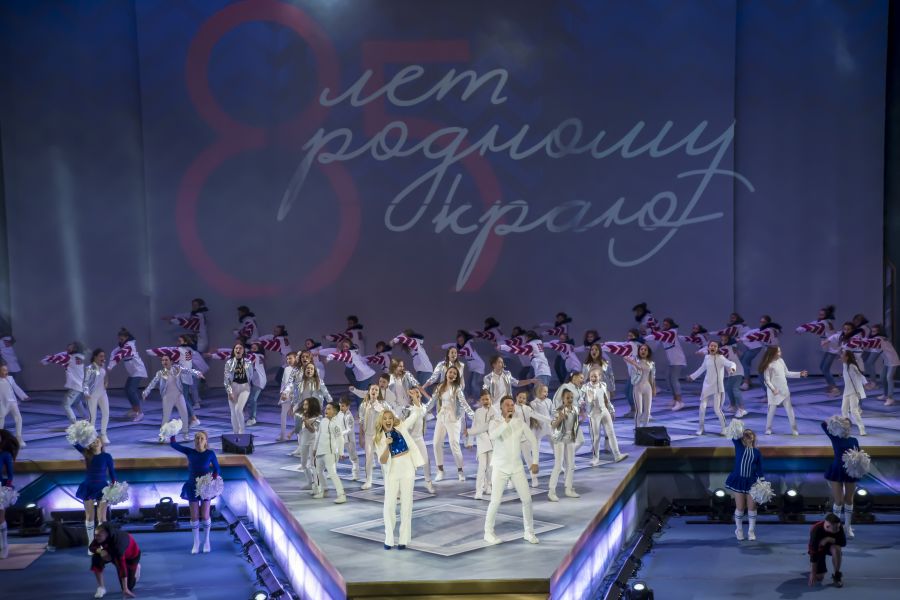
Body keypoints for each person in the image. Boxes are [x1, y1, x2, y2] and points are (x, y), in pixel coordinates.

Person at [484, 395, 540, 545]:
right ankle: (488, 533)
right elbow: (493, 435)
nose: (510, 407)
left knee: (527, 500)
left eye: (512, 405)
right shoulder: (495, 422)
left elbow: (533, 441)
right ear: (501, 407)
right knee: (495, 501)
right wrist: (506, 422)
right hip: (500, 467)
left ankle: (529, 532)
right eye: (507, 405)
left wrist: (535, 462)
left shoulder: (519, 422)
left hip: (516, 467)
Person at [375, 406, 426, 549]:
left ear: (393, 420)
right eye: (385, 419)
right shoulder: (378, 438)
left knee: (406, 504)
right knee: (389, 505)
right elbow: (382, 460)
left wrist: (417, 404)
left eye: (390, 418)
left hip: (407, 467)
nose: (388, 420)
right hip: (392, 471)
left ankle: (403, 539)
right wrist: (387, 446)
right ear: (381, 421)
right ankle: (389, 538)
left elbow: (414, 416)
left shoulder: (401, 427)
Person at [169, 430, 220, 553]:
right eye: (197, 438)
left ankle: (206, 541)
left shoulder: (210, 453)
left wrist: (213, 479)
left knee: (205, 515)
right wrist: (172, 432)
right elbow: (174, 445)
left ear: (206, 441)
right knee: (194, 516)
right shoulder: (190, 452)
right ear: (194, 440)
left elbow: (217, 469)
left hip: (206, 488)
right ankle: (196, 542)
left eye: (202, 438)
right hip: (192, 486)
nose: (199, 440)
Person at [428, 366, 473, 482]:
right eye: (450, 372)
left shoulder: (457, 389)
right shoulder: (440, 387)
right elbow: (432, 402)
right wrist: (422, 411)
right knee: (436, 443)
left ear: (456, 377)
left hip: (453, 419)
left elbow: (464, 404)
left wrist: (474, 416)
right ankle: (440, 470)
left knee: (454, 444)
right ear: (446, 374)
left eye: (454, 373)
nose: (452, 374)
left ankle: (460, 471)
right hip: (441, 417)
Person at [143, 354, 201, 440]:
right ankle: (162, 435)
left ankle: (185, 434)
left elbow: (188, 370)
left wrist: (197, 373)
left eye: (166, 360)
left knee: (184, 414)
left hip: (179, 396)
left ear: (171, 361)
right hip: (167, 397)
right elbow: (153, 383)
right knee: (166, 417)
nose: (164, 362)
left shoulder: (177, 369)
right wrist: (146, 392)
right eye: (163, 360)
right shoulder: (160, 373)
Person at [73, 436, 116, 552]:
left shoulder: (107, 456)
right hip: (88, 487)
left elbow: (112, 472)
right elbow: (75, 444)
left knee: (102, 517)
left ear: (102, 444)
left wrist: (115, 485)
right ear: (90, 445)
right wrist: (74, 433)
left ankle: (103, 544)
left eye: (98, 441)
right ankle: (91, 545)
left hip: (103, 488)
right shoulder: (87, 454)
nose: (96, 443)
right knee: (89, 516)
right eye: (93, 442)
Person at [822, 416, 861, 538]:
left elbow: (859, 455)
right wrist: (835, 420)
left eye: (848, 424)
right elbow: (823, 424)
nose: (846, 426)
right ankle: (835, 528)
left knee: (849, 500)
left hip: (850, 472)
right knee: (838, 501)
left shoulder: (854, 440)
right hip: (837, 471)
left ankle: (847, 527)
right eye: (844, 423)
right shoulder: (835, 438)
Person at [687, 341, 737, 436]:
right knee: (702, 408)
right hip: (706, 386)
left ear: (717, 348)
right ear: (708, 347)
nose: (712, 347)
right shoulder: (707, 357)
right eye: (711, 346)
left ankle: (724, 429)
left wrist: (733, 368)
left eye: (715, 346)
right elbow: (702, 368)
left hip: (717, 388)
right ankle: (701, 428)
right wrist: (692, 376)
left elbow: (731, 363)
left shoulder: (721, 358)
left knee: (717, 409)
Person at [724, 421, 763, 541]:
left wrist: (762, 482)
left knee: (752, 507)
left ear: (753, 437)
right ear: (742, 437)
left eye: (751, 434)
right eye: (746, 434)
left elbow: (760, 469)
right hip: (739, 481)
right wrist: (737, 424)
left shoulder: (757, 452)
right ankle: (739, 529)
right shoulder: (739, 446)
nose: (748, 435)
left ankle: (751, 531)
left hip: (752, 482)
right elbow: (734, 435)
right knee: (740, 507)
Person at [759, 346, 807, 435]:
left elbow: (787, 373)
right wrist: (773, 390)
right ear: (773, 353)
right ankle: (768, 428)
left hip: (784, 391)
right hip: (774, 393)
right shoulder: (768, 365)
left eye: (780, 351)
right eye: (778, 352)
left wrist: (799, 374)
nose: (780, 353)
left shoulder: (781, 361)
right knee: (771, 411)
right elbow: (767, 381)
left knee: (790, 410)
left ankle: (794, 429)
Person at [583, 368, 627, 465]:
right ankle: (595, 458)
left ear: (600, 377)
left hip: (604, 411)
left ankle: (617, 455)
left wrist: (611, 410)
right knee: (596, 436)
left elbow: (606, 399)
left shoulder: (603, 385)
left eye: (595, 376)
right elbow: (580, 399)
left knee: (611, 433)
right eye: (591, 376)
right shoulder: (586, 387)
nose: (593, 378)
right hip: (594, 414)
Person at [548, 387, 585, 501]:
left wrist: (582, 418)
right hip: (559, 439)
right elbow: (553, 425)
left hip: (570, 439)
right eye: (567, 398)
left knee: (571, 464)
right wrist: (560, 418)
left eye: (571, 398)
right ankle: (551, 491)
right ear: (563, 399)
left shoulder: (575, 409)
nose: (570, 399)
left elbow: (575, 425)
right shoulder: (558, 410)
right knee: (558, 465)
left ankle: (568, 489)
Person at [89, 522, 141, 599]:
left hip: (131, 557)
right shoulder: (100, 535)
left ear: (106, 534)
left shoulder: (119, 545)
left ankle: (137, 568)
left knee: (129, 586)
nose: (96, 538)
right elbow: (91, 547)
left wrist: (125, 589)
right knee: (96, 557)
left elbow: (122, 567)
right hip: (112, 552)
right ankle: (101, 587)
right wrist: (101, 551)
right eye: (95, 535)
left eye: (98, 536)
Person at [41, 342, 89, 423]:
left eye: (71, 347)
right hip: (80, 386)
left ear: (75, 349)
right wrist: (49, 358)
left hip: (76, 386)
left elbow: (59, 358)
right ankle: (87, 418)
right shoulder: (79, 356)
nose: (68, 348)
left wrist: (46, 360)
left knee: (66, 405)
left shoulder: (70, 358)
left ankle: (74, 423)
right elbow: (62, 356)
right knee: (77, 402)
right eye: (68, 346)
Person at [646, 318, 687, 411]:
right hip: (672, 361)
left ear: (671, 325)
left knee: (674, 380)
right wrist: (646, 337)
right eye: (664, 324)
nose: (664, 326)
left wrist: (650, 334)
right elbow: (656, 337)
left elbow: (659, 335)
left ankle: (680, 401)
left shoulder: (672, 332)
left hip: (678, 360)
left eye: (666, 324)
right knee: (668, 379)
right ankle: (675, 399)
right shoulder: (665, 334)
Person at [107, 328, 147, 422]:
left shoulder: (129, 346)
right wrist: (110, 362)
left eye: (122, 339)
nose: (120, 341)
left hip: (138, 370)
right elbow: (114, 352)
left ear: (127, 338)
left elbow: (120, 355)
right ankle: (134, 409)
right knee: (127, 389)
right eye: (119, 339)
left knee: (131, 390)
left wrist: (111, 366)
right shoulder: (123, 345)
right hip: (133, 372)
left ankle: (139, 412)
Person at [312, 403, 347, 503]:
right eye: (326, 408)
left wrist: (341, 452)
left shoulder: (336, 424)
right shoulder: (323, 421)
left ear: (335, 411)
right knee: (318, 472)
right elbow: (318, 435)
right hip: (320, 451)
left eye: (328, 409)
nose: (326, 410)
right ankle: (323, 490)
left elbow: (340, 439)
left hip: (330, 452)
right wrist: (315, 448)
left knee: (332, 474)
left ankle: (341, 495)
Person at [358, 383, 390, 490]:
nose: (374, 391)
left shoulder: (383, 405)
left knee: (383, 460)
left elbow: (391, 416)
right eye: (372, 389)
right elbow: (361, 421)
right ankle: (368, 481)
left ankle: (387, 482)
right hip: (368, 436)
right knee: (369, 459)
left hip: (379, 436)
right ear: (369, 391)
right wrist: (361, 437)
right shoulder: (363, 405)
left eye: (376, 390)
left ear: (378, 393)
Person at [466, 390, 496, 500]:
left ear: (491, 399)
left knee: (490, 467)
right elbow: (474, 426)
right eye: (483, 399)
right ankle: (479, 490)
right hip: (482, 442)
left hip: (493, 443)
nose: (485, 401)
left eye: (487, 399)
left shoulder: (495, 411)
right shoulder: (478, 412)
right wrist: (470, 441)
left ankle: (489, 486)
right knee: (482, 467)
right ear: (480, 401)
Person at [808, 513, 846, 588]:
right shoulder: (816, 529)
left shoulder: (838, 525)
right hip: (819, 550)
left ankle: (837, 575)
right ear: (827, 526)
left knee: (837, 549)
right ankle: (815, 570)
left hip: (831, 547)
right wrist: (813, 572)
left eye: (838, 527)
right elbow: (813, 552)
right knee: (819, 578)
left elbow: (843, 542)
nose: (838, 530)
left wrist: (828, 539)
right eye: (836, 528)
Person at [291, 398, 321, 490]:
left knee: (313, 464)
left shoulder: (318, 417)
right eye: (304, 404)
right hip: (304, 441)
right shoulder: (303, 415)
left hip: (313, 441)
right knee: (303, 463)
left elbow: (312, 430)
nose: (304, 406)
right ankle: (309, 483)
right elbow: (298, 425)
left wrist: (305, 420)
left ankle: (317, 485)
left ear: (312, 405)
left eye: (306, 404)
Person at [624, 344, 656, 428]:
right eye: (641, 349)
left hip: (648, 388)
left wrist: (653, 388)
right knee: (639, 411)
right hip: (637, 388)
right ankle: (637, 429)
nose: (643, 351)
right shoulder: (636, 361)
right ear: (639, 351)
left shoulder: (651, 363)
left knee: (647, 412)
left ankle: (645, 428)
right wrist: (635, 364)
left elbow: (652, 377)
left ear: (648, 352)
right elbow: (625, 357)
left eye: (645, 350)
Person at [223, 342, 252, 434]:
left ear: (243, 351)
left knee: (238, 409)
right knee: (233, 411)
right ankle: (235, 432)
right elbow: (226, 379)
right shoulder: (229, 362)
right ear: (234, 350)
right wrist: (229, 391)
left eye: (240, 348)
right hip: (233, 387)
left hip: (245, 387)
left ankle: (241, 431)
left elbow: (251, 375)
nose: (238, 350)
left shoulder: (248, 362)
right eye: (236, 348)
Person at [0, 431, 19, 559]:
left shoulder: (5, 455)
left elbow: (10, 475)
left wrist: (6, 488)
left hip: (0, 488)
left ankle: (4, 546)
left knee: (0, 518)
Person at [0, 364, 29, 447]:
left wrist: (23, 396)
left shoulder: (10, 378)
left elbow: (16, 388)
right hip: (2, 403)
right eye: (4, 370)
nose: (6, 372)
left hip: (12, 402)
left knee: (18, 419)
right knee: (1, 419)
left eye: (7, 370)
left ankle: (18, 437)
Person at [840, 351, 867, 435]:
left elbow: (860, 375)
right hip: (846, 391)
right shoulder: (844, 365)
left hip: (854, 392)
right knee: (844, 410)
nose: (841, 356)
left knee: (853, 411)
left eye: (843, 355)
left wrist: (866, 383)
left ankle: (862, 428)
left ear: (847, 357)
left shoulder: (852, 366)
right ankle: (846, 428)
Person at [278, 352, 300, 441]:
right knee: (283, 414)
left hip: (295, 395)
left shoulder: (300, 369)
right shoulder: (286, 369)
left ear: (296, 358)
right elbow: (283, 381)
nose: (288, 360)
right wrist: (281, 392)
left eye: (290, 358)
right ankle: (282, 435)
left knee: (296, 416)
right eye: (287, 359)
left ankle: (299, 436)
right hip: (285, 394)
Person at [337, 397, 360, 480]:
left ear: (348, 406)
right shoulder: (339, 414)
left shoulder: (349, 416)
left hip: (349, 440)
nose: (341, 408)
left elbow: (349, 429)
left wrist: (341, 434)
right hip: (340, 439)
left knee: (353, 458)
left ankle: (356, 475)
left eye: (343, 406)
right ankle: (332, 473)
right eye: (340, 406)